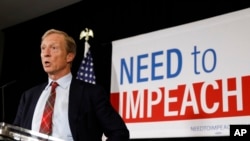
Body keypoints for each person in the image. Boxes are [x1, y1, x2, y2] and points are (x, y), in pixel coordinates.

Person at [13, 29, 130, 141]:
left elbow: (119, 132)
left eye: (53, 48)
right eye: (43, 48)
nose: (46, 54)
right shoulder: (28, 96)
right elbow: (15, 135)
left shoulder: (91, 93)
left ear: (69, 56)